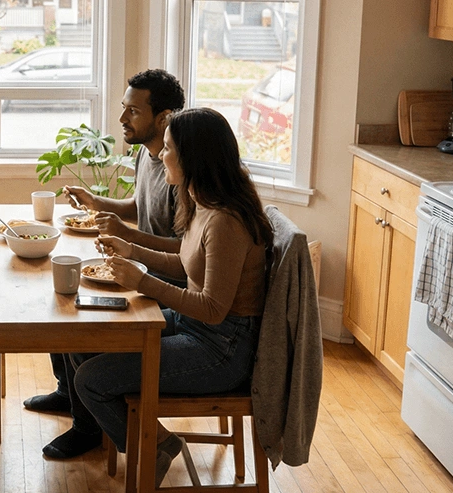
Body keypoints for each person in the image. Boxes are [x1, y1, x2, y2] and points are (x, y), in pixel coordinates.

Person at [75, 107, 273, 487]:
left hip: (221, 349)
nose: (160, 155)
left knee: (91, 379)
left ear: (192, 156)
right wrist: (133, 252)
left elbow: (213, 309)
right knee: (84, 338)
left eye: (167, 149)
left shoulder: (225, 220)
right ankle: (149, 443)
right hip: (195, 326)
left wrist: (142, 281)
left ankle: (155, 448)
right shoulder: (203, 200)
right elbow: (185, 264)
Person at [27, 69, 187, 461]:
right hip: (142, 270)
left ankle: (87, 426)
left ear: (163, 117)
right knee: (62, 298)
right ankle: (70, 393)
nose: (122, 120)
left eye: (133, 111)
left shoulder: (183, 170)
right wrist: (100, 204)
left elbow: (190, 254)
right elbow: (138, 206)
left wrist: (129, 240)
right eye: (123, 108)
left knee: (73, 313)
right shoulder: (148, 156)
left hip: (162, 284)